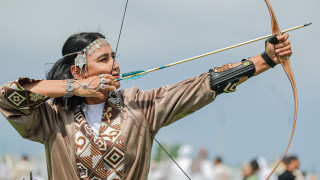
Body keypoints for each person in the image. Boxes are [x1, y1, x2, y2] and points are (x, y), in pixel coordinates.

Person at [0, 32, 292, 180]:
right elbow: (8, 96)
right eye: (103, 60)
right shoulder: (51, 116)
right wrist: (75, 89)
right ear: (78, 71)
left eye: (114, 57)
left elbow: (203, 84)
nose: (115, 66)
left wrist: (265, 59)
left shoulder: (138, 104)